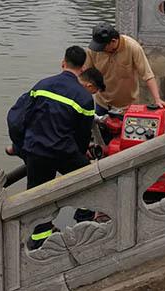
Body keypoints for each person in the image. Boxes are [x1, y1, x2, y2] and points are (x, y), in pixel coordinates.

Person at [5, 46, 98, 248]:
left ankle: (40, 240)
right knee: (91, 182)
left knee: (39, 196)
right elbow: (82, 136)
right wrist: (80, 153)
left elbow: (16, 118)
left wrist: (20, 146)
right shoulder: (84, 97)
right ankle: (84, 226)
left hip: (36, 152)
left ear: (63, 63)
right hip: (64, 152)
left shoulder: (41, 86)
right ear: (83, 68)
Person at [84, 23, 165, 112]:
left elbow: (148, 75)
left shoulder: (132, 47)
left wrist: (157, 99)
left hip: (128, 106)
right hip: (103, 104)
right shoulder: (94, 50)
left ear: (113, 41)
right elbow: (85, 75)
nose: (100, 50)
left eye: (102, 47)